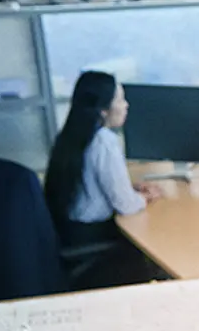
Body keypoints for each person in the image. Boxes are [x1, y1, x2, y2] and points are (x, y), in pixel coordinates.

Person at [43, 70, 160, 248]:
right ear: (104, 110)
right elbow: (125, 205)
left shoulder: (71, 134)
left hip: (70, 233)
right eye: (120, 100)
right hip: (95, 235)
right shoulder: (104, 141)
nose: (126, 105)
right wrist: (148, 197)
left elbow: (91, 185)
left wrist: (130, 188)